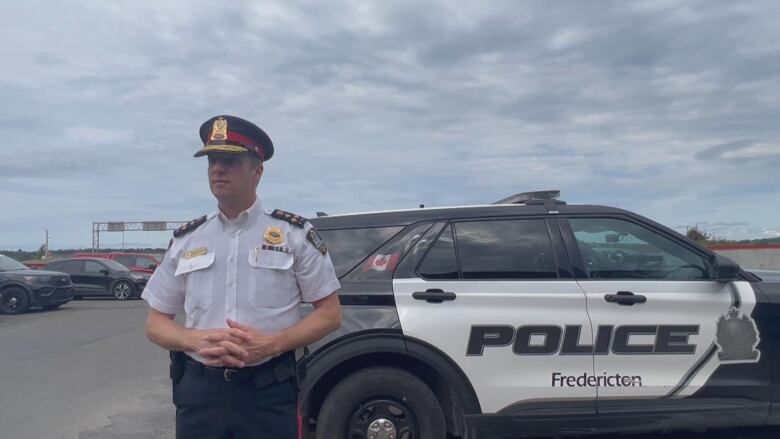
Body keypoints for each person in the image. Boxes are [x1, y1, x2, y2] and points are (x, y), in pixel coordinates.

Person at [141, 115, 342, 439]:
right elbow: (155, 323)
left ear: (257, 171)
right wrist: (195, 340)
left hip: (268, 393)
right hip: (200, 394)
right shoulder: (188, 239)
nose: (217, 169)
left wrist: (273, 343)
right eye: (212, 161)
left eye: (230, 161)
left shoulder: (294, 234)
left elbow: (330, 314)